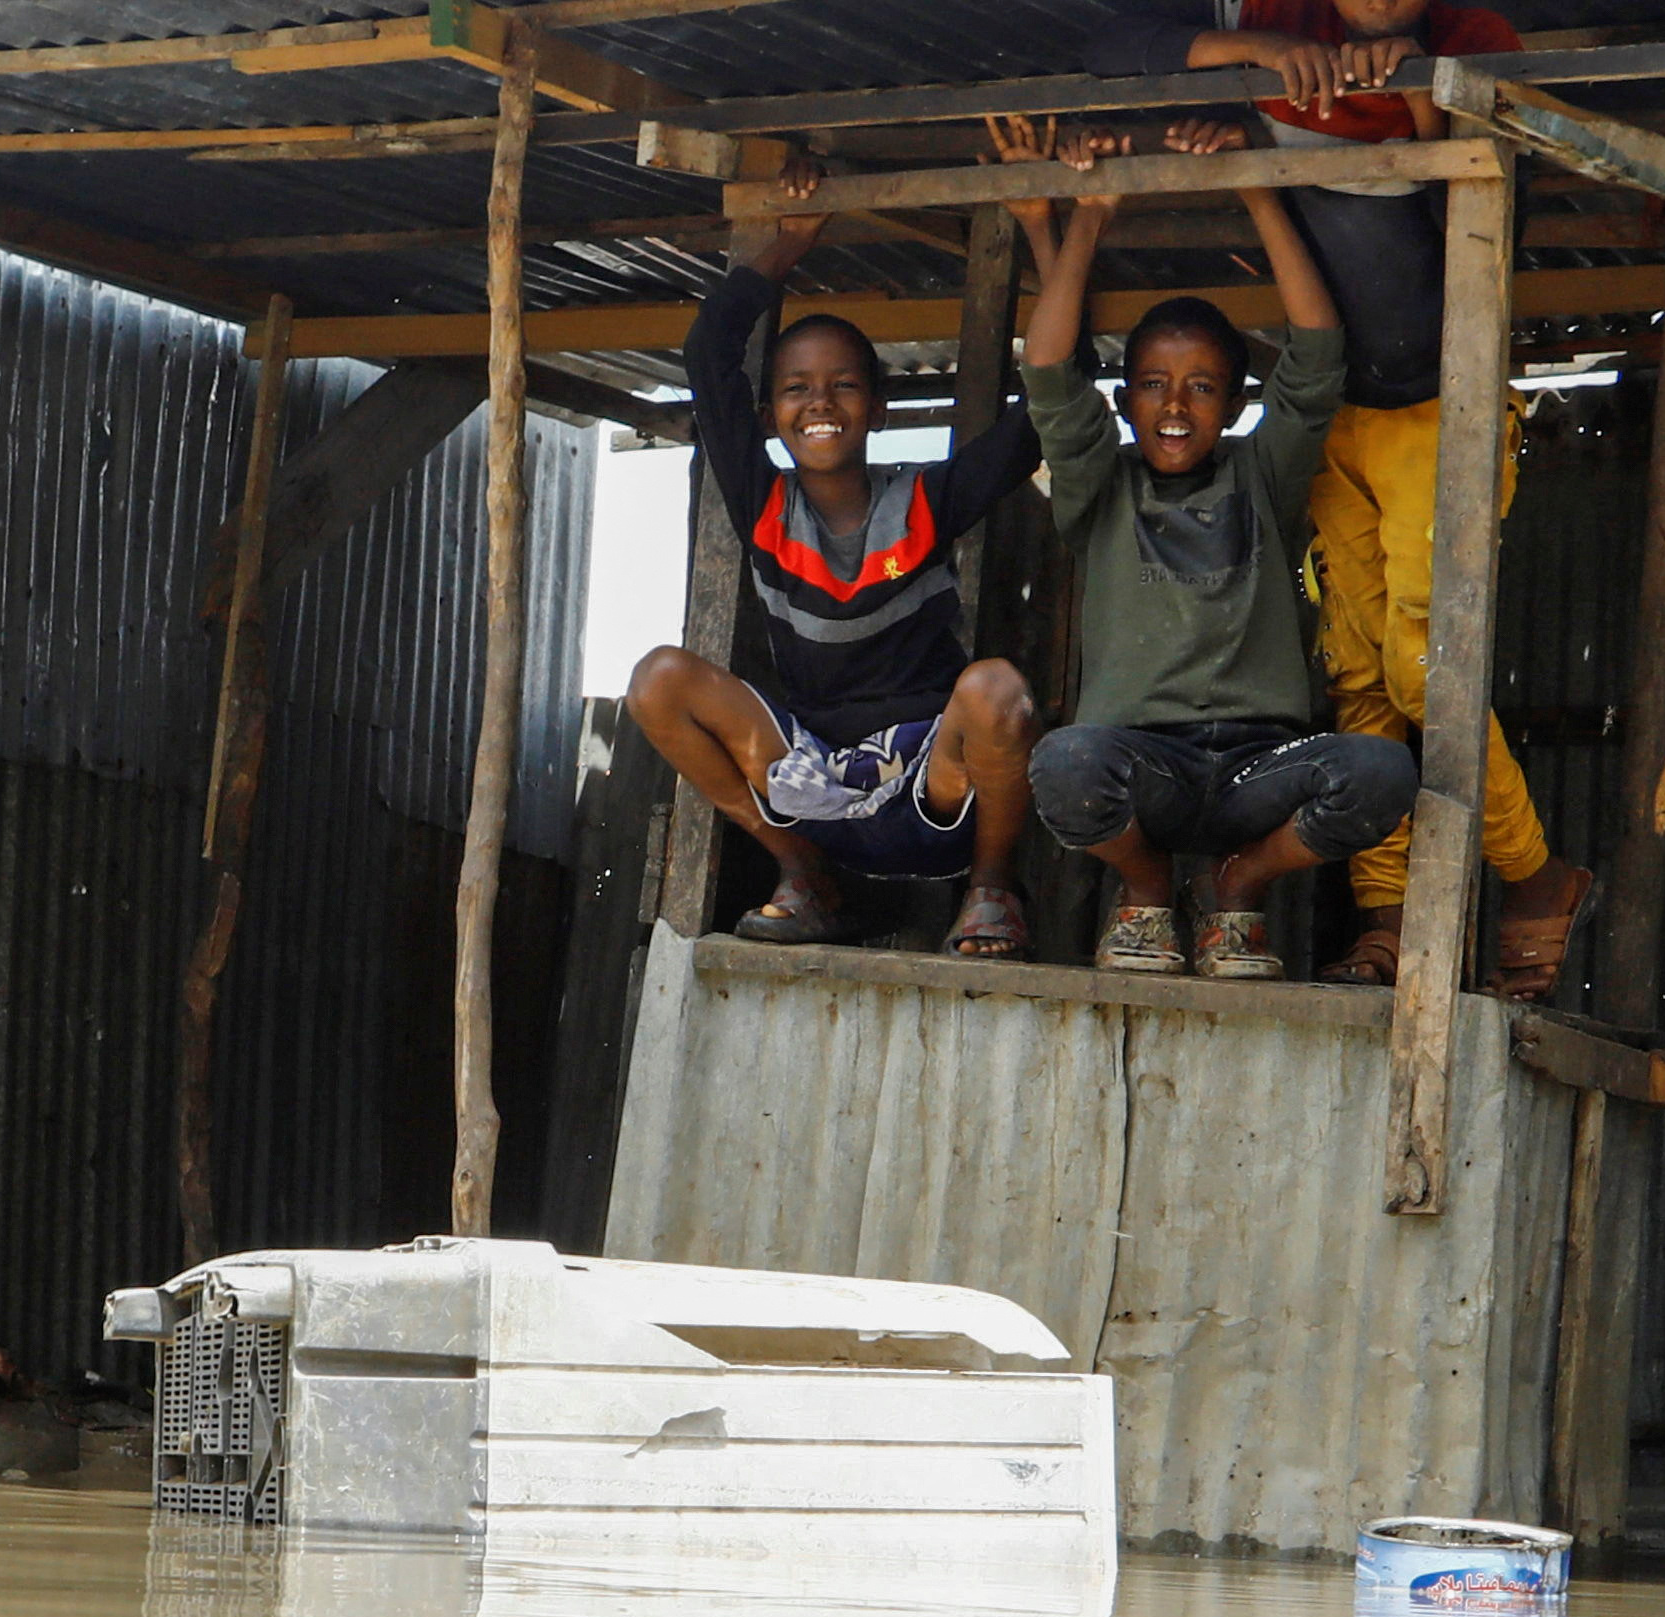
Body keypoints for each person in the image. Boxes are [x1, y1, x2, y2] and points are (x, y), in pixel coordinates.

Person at [1083, 0, 1597, 1000]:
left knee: (1419, 665)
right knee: (1358, 676)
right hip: (1333, 415)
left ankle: (1536, 877)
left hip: (1437, 401)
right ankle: (1386, 922)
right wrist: (1261, 63)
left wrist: (1412, 86)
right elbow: (1108, 44)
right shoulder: (1275, 20)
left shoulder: (1468, 35)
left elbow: (1487, 214)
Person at [1006, 126, 1418, 981]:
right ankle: (1149, 887)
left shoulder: (1264, 475)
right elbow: (1048, 367)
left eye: (1201, 387)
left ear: (1233, 405)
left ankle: (1238, 885)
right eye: (1154, 384)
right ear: (1124, 400)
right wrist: (1088, 217)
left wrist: (1258, 187)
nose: (1175, 406)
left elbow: (1316, 353)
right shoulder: (1099, 485)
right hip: (1141, 762)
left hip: (1255, 770)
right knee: (1062, 763)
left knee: (1380, 772)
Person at [622, 170, 1044, 959]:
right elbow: (709, 354)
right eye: (797, 389)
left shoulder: (925, 500)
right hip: (812, 783)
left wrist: (1054, 242)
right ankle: (806, 877)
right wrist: (791, 241)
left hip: (937, 790)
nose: (820, 403)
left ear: (879, 409)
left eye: (844, 386)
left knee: (994, 691)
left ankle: (991, 889)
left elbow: (1039, 423)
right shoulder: (763, 505)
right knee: (658, 681)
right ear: (771, 412)